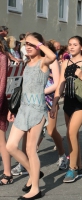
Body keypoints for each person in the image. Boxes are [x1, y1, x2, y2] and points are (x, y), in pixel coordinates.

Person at [6, 32, 56, 199]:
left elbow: (53, 56)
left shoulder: (43, 62)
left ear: (39, 46)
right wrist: (12, 109)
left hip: (36, 109)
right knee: (11, 146)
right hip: (23, 108)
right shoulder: (26, 63)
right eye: (26, 44)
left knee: (30, 149)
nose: (28, 46)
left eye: (32, 44)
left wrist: (39, 43)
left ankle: (35, 188)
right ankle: (33, 172)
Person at [50, 36, 82, 183]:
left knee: (70, 132)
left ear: (81, 47)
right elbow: (61, 84)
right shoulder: (65, 62)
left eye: (75, 44)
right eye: (70, 44)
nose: (71, 47)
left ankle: (72, 169)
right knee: (74, 136)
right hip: (69, 102)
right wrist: (54, 103)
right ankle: (79, 168)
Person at [0, 40, 13, 186]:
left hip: (0, 102)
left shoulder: (2, 57)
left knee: (1, 140)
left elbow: (2, 83)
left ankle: (8, 173)